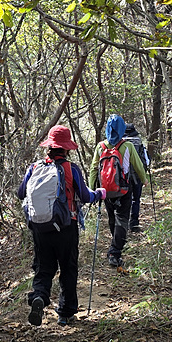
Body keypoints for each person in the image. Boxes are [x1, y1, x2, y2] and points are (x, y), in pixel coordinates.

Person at [17, 125, 106, 326]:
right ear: (66, 148)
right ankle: (65, 313)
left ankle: (39, 297)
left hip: (40, 227)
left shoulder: (34, 168)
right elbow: (85, 196)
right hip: (66, 226)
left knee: (43, 268)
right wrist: (99, 194)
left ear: (49, 146)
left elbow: (21, 193)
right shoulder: (70, 169)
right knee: (68, 267)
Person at [88, 115, 149, 269]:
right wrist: (144, 179)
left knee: (112, 218)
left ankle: (116, 244)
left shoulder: (100, 146)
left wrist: (92, 189)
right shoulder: (127, 146)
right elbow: (138, 165)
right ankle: (115, 252)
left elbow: (93, 169)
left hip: (105, 191)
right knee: (122, 219)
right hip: (123, 190)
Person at [123, 123, 150, 232]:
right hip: (137, 175)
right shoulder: (139, 142)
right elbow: (146, 161)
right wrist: (144, 176)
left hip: (123, 176)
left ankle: (123, 224)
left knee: (125, 199)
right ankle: (134, 224)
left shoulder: (120, 144)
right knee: (136, 199)